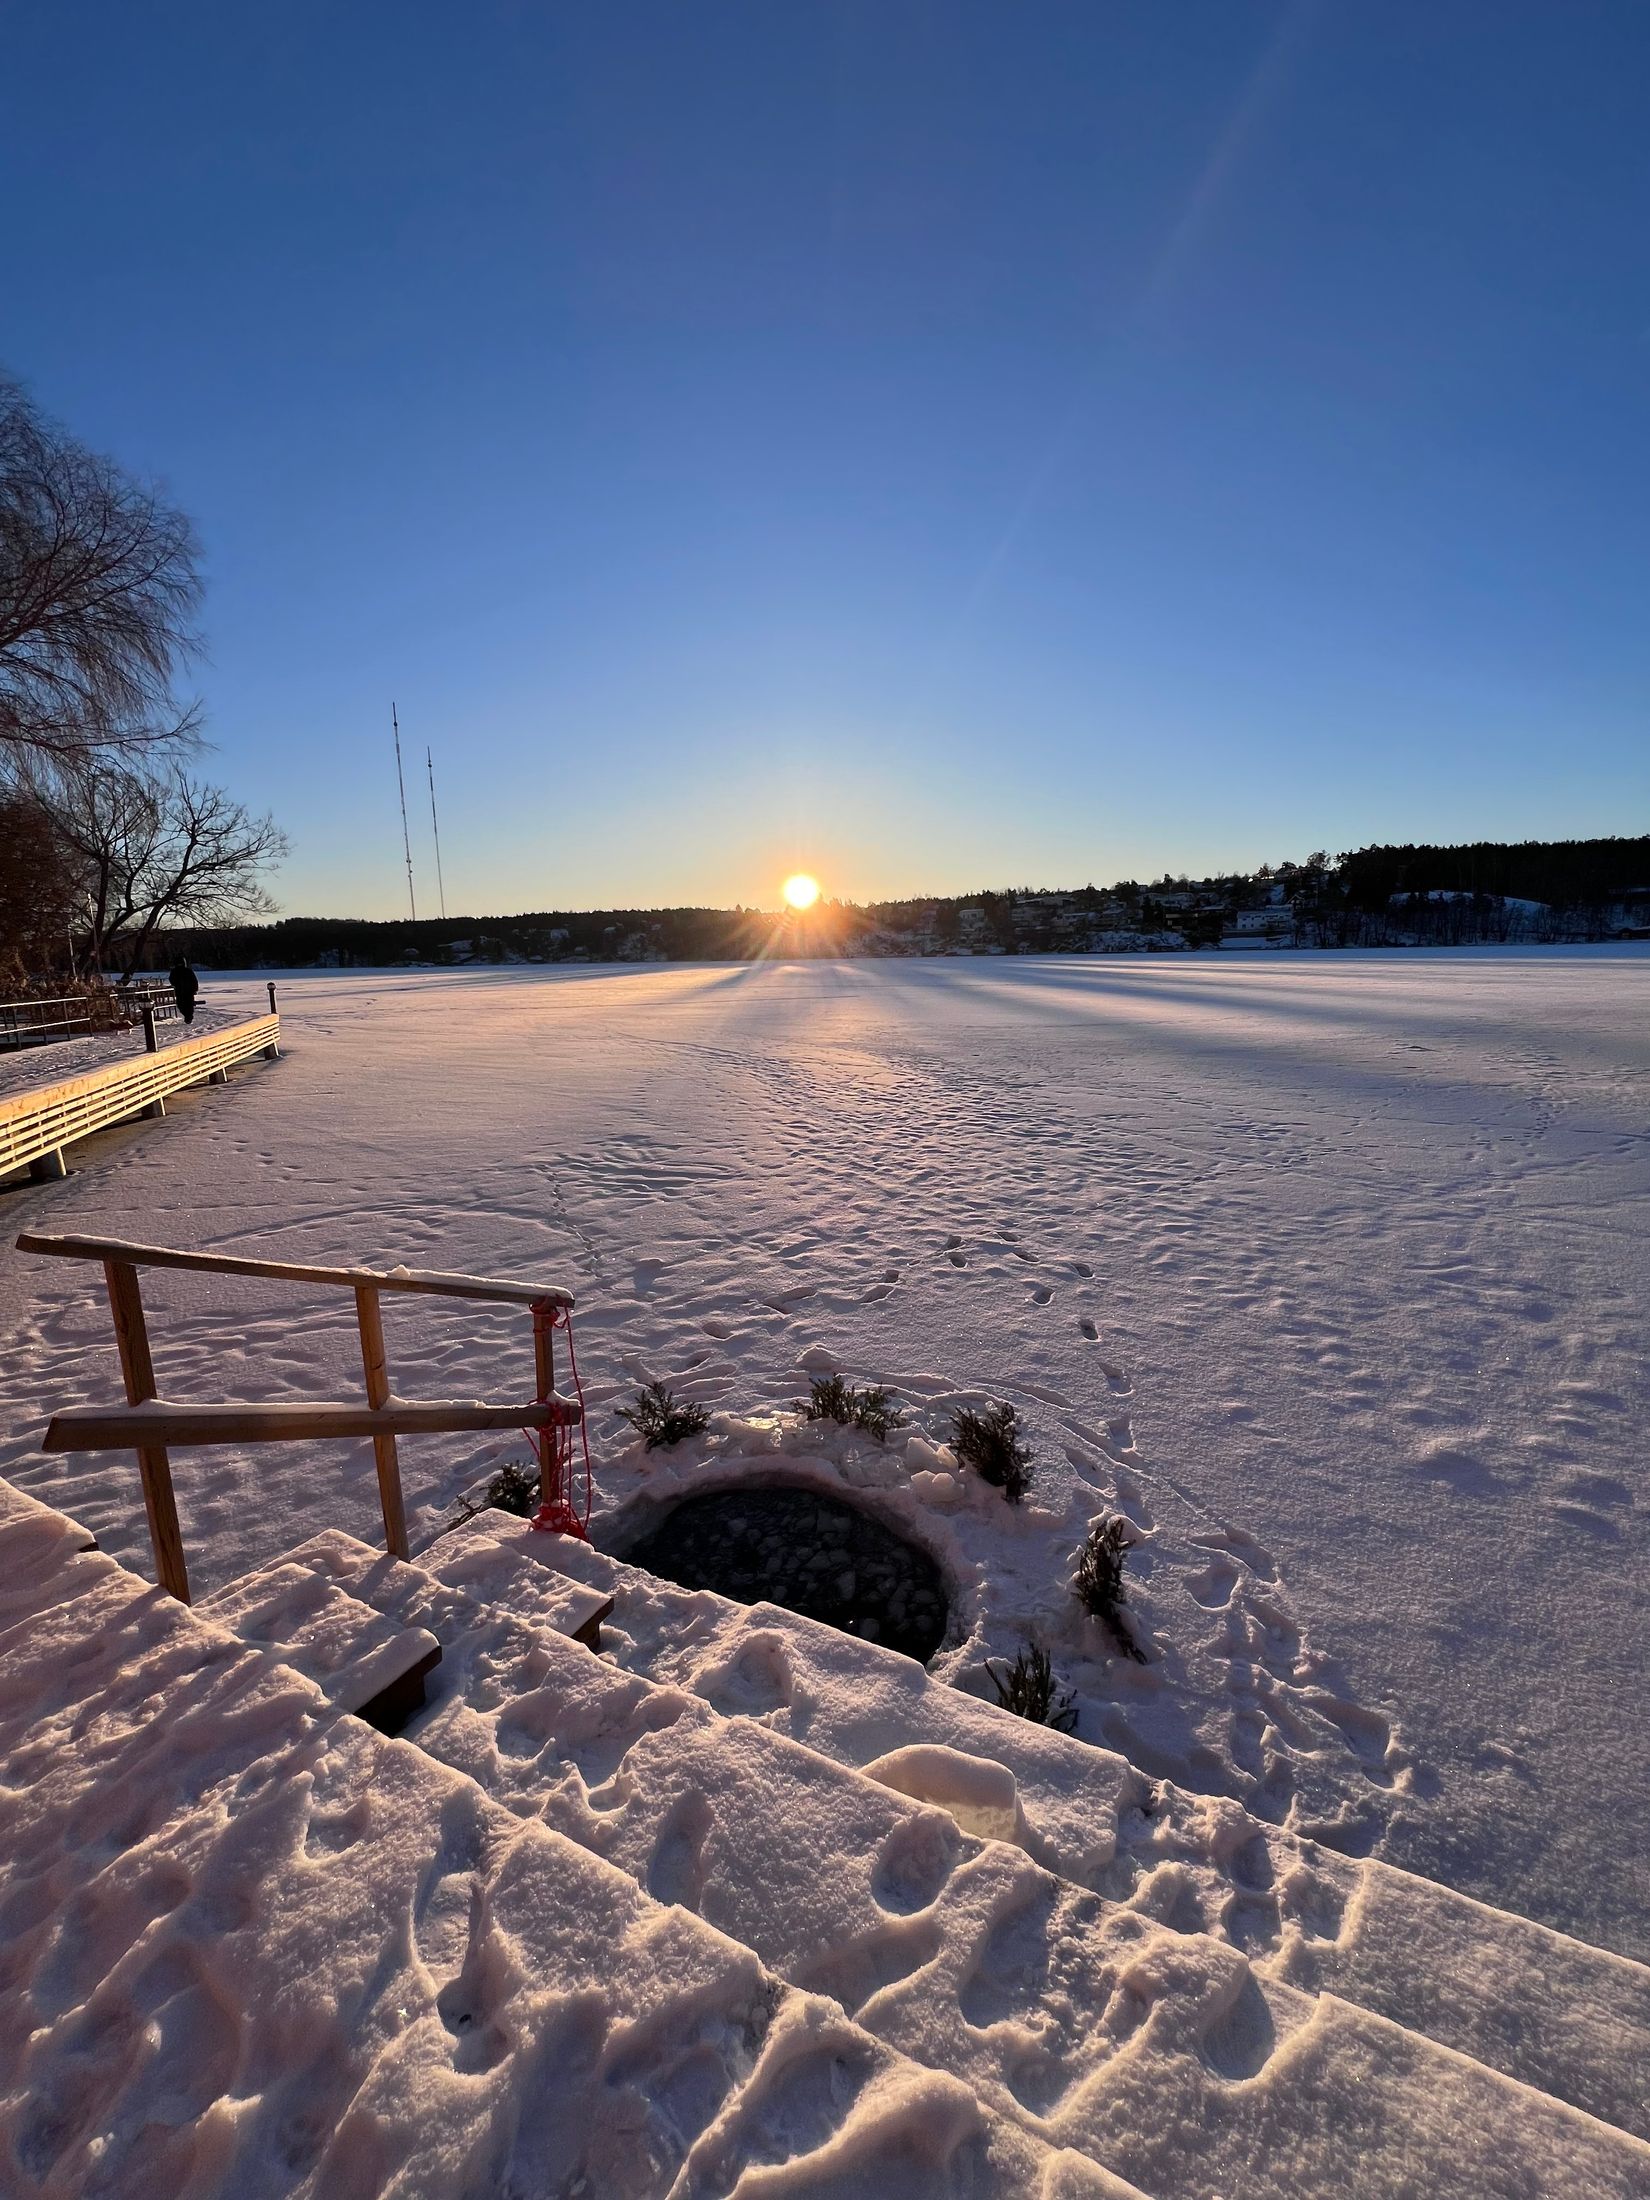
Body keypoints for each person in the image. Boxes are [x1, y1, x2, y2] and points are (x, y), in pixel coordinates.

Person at [168, 957, 200, 1026]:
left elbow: (194, 980)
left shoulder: (188, 971)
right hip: (181, 991)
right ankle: (188, 1016)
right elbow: (172, 980)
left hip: (188, 991)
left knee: (188, 1005)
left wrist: (195, 989)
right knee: (181, 1005)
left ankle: (188, 1017)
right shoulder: (175, 971)